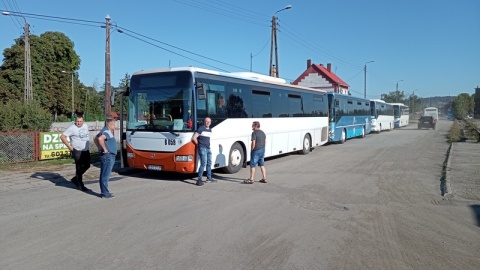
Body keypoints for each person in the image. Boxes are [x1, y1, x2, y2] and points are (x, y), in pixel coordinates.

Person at [60, 113, 91, 192]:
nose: (79, 123)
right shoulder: (72, 128)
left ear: (83, 121)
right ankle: (80, 184)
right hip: (77, 151)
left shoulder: (85, 126)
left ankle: (75, 178)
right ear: (75, 121)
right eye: (77, 121)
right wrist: (69, 146)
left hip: (85, 150)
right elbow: (62, 137)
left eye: (80, 121)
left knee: (87, 165)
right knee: (79, 167)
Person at [94, 118, 117, 198]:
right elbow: (100, 139)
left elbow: (95, 138)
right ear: (110, 125)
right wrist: (104, 149)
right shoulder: (107, 131)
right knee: (105, 175)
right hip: (108, 156)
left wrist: (99, 148)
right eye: (114, 124)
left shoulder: (103, 131)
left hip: (107, 156)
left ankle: (105, 192)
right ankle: (105, 193)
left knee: (104, 174)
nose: (115, 126)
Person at [191, 117, 217, 186]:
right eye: (206, 121)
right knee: (203, 163)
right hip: (202, 148)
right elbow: (194, 138)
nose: (208, 123)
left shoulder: (210, 130)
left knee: (209, 162)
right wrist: (199, 144)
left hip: (208, 148)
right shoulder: (201, 129)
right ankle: (199, 180)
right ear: (204, 122)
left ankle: (209, 178)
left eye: (209, 122)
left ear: (210, 123)